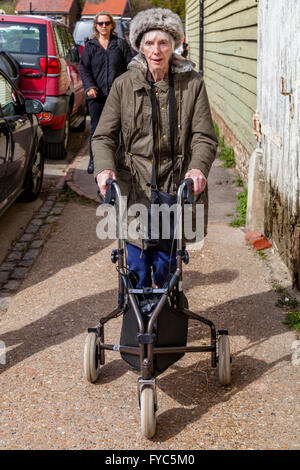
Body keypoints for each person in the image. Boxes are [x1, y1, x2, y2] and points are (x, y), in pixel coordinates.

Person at [92, 8, 218, 288]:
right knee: (135, 268)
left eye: (163, 42)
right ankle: (139, 324)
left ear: (174, 45)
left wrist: (197, 167)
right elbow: (103, 137)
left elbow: (204, 136)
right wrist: (104, 169)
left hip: (175, 189)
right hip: (135, 189)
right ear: (140, 47)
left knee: (165, 269)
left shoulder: (193, 84)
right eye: (149, 43)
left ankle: (163, 322)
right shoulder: (123, 85)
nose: (156, 50)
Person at [79, 11, 133, 174]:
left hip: (117, 96)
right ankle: (94, 160)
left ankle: (118, 161)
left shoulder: (120, 44)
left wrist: (125, 88)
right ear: (96, 26)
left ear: (112, 25)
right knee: (97, 129)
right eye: (100, 23)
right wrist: (90, 87)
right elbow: (84, 69)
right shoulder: (90, 46)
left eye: (107, 23)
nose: (104, 26)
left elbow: (130, 67)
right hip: (96, 96)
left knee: (119, 129)